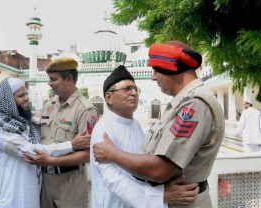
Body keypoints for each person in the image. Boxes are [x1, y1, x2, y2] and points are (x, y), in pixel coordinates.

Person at [93, 40, 225, 208]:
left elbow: (160, 170)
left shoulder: (194, 105)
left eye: (156, 70)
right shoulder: (184, 103)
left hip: (183, 201)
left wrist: (112, 153)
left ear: (170, 68)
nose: (153, 77)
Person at [91, 65, 199, 208]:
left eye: (136, 89)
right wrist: (161, 195)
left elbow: (145, 166)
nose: (134, 93)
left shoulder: (136, 125)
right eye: (126, 89)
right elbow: (115, 180)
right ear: (109, 97)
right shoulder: (103, 129)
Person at [0, 77, 91, 208]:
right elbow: (33, 151)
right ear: (8, 101)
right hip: (10, 196)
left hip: (32, 194)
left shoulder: (26, 124)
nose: (27, 98)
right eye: (21, 95)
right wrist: (71, 145)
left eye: (26, 93)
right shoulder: (0, 129)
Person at [24, 57, 99, 208]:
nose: (49, 83)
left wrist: (51, 161)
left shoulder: (86, 109)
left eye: (53, 79)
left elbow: (88, 154)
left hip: (70, 183)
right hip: (45, 181)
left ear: (69, 78)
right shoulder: (49, 105)